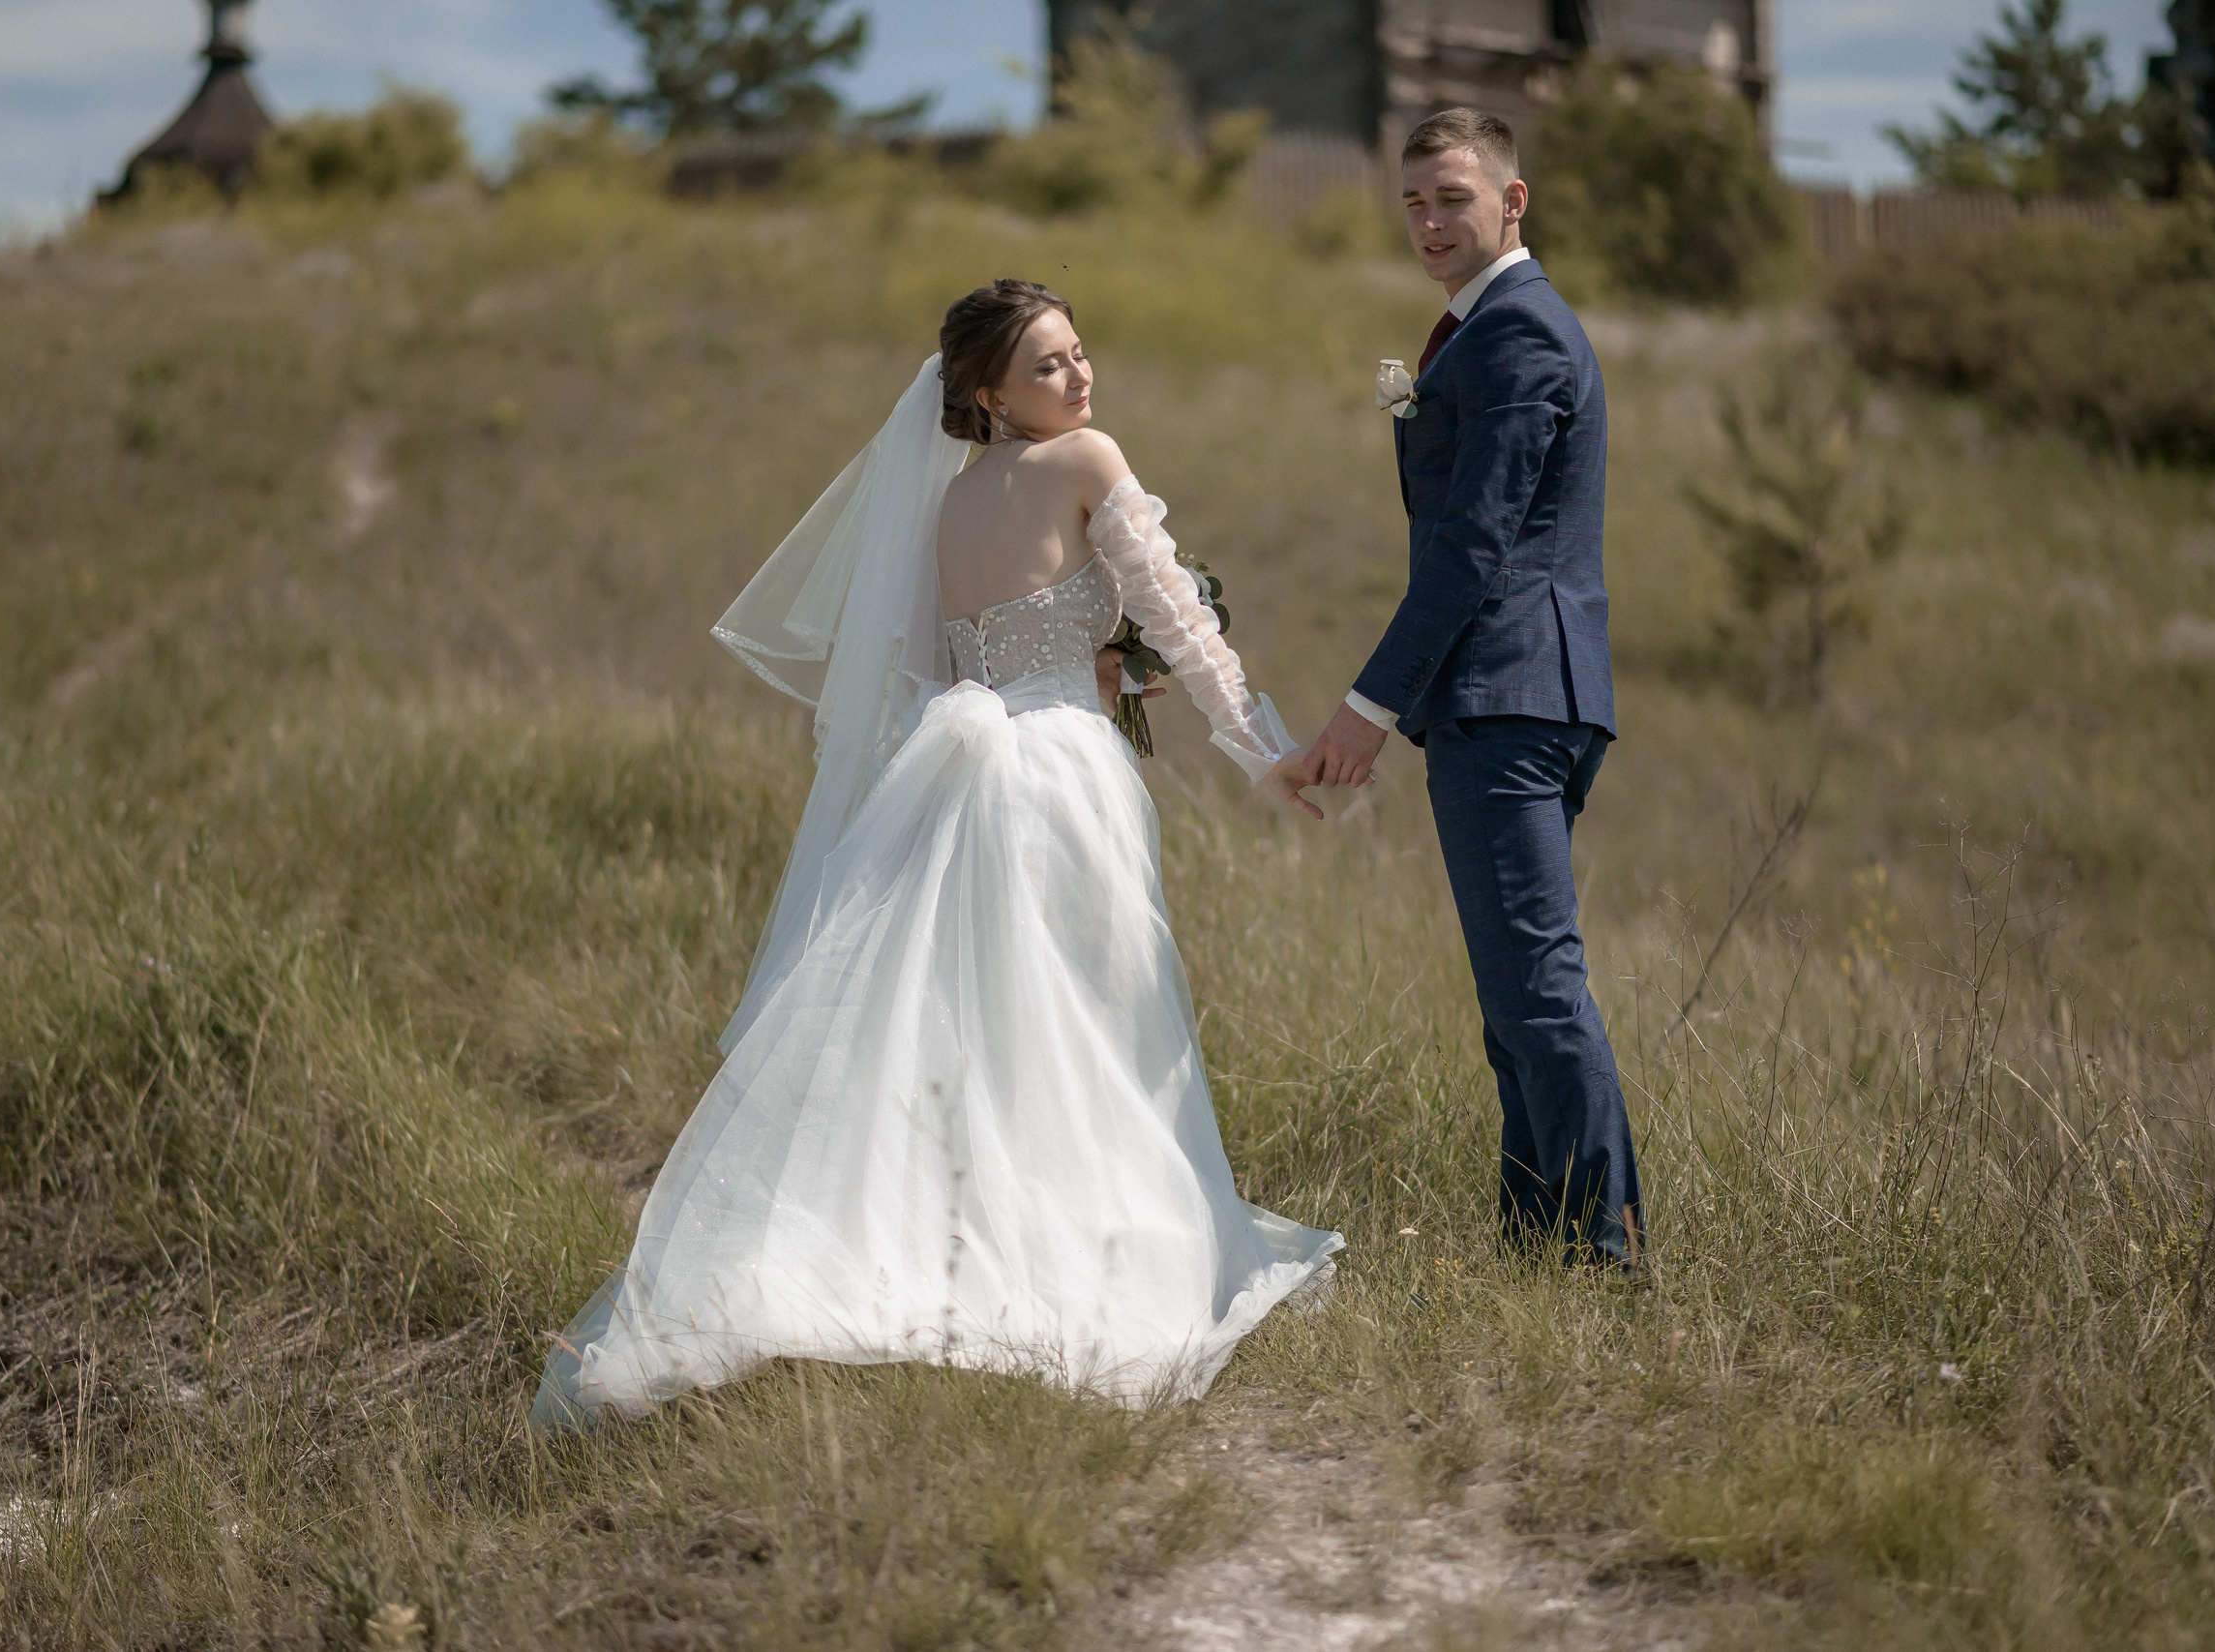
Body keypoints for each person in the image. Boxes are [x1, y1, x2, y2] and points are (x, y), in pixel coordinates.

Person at [534, 281, 1341, 1422]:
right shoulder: (1087, 462)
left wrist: (1098, 666)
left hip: (958, 770)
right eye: (1049, 366)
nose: (1079, 377)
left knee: (979, 1023)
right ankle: (1090, 1248)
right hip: (1058, 772)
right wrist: (1264, 750)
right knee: (1092, 1019)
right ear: (985, 393)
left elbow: (956, 662)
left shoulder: (946, 504)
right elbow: (1175, 616)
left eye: (1078, 354)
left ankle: (950, 1232)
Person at [1274, 108, 1643, 1268]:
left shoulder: (1521, 334)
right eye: (1415, 202)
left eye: (1454, 198)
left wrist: (1366, 710)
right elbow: (1445, 480)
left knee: (1536, 995)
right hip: (1523, 696)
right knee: (1514, 1004)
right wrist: (1402, 392)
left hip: (1509, 697)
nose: (1431, 222)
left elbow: (1472, 548)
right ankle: (1538, 1254)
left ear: (1513, 200)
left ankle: (1603, 1261)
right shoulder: (1465, 336)